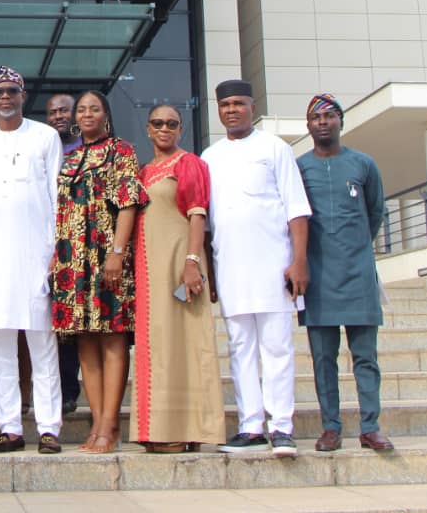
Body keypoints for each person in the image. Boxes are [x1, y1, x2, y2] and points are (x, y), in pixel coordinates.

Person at [202, 79, 311, 457]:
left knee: (277, 347)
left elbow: (296, 209)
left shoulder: (275, 148)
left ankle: (281, 426)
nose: (231, 110)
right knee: (240, 348)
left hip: (273, 267)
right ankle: (251, 426)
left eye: (238, 103)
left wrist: (298, 262)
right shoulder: (209, 157)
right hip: (230, 269)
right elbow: (207, 223)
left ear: (252, 105)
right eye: (225, 105)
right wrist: (211, 276)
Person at [0, 65, 63, 455]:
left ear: (23, 96)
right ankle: (9, 427)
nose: (5, 97)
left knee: (43, 347)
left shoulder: (45, 136)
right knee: (1, 350)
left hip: (37, 258)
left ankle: (49, 427)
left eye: (11, 91)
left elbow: (58, 198)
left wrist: (58, 252)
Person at [52, 90, 147, 454]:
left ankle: (110, 424)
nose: (87, 114)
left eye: (94, 108)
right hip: (71, 260)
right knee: (85, 342)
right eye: (82, 109)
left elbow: (128, 203)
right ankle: (97, 423)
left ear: (105, 114)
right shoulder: (70, 157)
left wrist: (118, 252)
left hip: (107, 255)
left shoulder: (120, 150)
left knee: (113, 337)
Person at [298, 94, 393, 452]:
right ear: (308, 127)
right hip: (317, 277)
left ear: (341, 121)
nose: (323, 122)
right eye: (315, 117)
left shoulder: (364, 164)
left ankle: (370, 427)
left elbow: (375, 212)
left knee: (366, 356)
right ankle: (330, 428)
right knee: (324, 358)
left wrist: (354, 248)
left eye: (329, 115)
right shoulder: (299, 168)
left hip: (358, 275)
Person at [131, 103, 224, 452]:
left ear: (181, 129)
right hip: (148, 269)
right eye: (158, 123)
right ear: (148, 129)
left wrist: (190, 262)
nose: (164, 128)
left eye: (172, 123)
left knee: (185, 343)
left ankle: (188, 430)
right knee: (157, 346)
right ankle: (157, 429)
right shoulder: (143, 172)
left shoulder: (189, 164)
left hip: (178, 264)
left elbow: (197, 215)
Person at [45, 92, 82, 416]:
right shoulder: (44, 149)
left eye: (64, 111)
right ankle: (62, 391)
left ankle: (74, 390)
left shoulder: (85, 151)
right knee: (60, 325)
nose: (58, 116)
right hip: (51, 247)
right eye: (53, 112)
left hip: (85, 247)